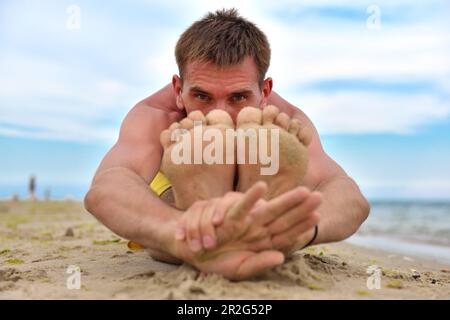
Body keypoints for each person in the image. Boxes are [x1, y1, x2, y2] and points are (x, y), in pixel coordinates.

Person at [84, 8, 369, 280]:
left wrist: (297, 231)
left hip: (259, 205)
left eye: (238, 98)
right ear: (177, 90)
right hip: (180, 211)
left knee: (265, 143)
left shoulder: (285, 122)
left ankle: (253, 221)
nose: (219, 114)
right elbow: (107, 187)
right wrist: (180, 230)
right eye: (202, 96)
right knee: (212, 155)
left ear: (265, 91)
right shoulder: (156, 116)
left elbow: (348, 195)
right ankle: (202, 218)